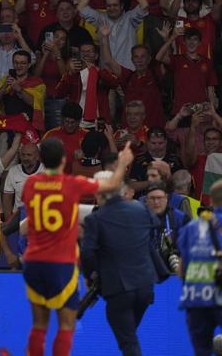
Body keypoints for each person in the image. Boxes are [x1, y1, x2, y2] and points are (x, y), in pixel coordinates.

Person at [21, 137, 134, 356]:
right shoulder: (71, 184)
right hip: (61, 263)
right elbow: (111, 185)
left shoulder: (30, 184)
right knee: (66, 324)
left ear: (41, 159)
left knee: (39, 325)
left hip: (34, 260)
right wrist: (123, 162)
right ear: (64, 160)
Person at [82, 170, 168, 356]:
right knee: (129, 337)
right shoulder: (140, 208)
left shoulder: (95, 219)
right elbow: (155, 223)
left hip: (118, 289)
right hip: (146, 286)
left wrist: (90, 276)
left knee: (128, 341)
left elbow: (87, 254)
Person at [177, 180, 222, 356]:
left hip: (196, 299)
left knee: (201, 351)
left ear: (211, 201)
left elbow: (181, 270)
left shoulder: (192, 227)